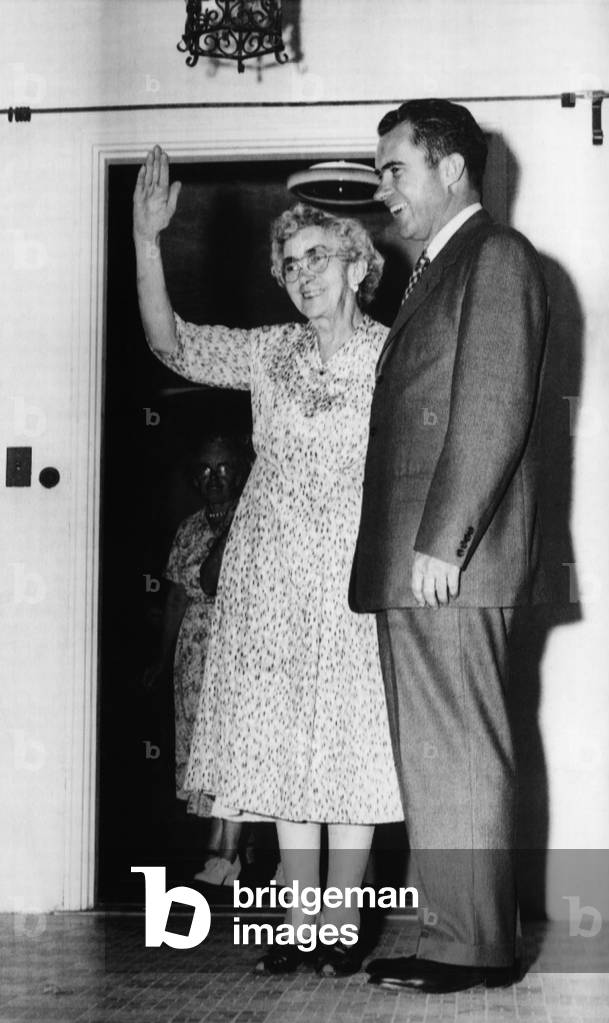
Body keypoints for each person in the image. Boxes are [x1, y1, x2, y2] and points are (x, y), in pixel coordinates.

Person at [133, 146, 403, 976]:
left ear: (358, 264)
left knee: (348, 742)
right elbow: (170, 343)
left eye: (316, 256)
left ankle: (341, 920)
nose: (299, 274)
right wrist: (146, 241)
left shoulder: (396, 353)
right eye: (288, 264)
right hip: (269, 573)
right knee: (278, 742)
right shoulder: (267, 353)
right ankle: (294, 922)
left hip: (353, 574)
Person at [350, 99, 550, 995]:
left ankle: (473, 946)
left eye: (395, 168)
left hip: (448, 564)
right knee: (436, 754)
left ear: (452, 169)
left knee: (460, 750)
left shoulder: (494, 257)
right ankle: (453, 935)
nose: (381, 187)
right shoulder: (437, 270)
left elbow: (492, 405)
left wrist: (443, 540)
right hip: (422, 563)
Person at [145, 432, 251, 884]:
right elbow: (174, 598)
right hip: (195, 657)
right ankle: (224, 854)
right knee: (203, 750)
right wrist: (161, 659)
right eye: (205, 469)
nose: (215, 478)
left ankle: (229, 853)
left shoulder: (253, 519)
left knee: (238, 746)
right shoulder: (188, 528)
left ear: (241, 470)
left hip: (242, 650)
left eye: (224, 467)